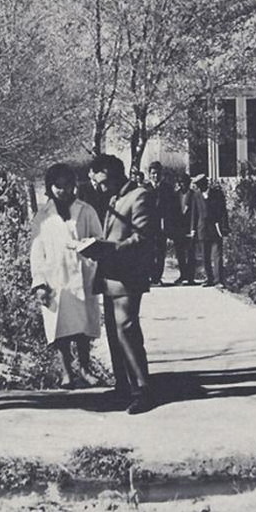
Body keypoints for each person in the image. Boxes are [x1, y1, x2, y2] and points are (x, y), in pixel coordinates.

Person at [89, 154, 155, 414]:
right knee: (114, 334)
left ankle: (143, 390)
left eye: (104, 182)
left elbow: (143, 237)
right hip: (110, 276)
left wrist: (107, 248)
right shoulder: (113, 198)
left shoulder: (140, 196)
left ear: (116, 174)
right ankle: (123, 387)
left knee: (126, 330)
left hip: (128, 276)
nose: (101, 188)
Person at [30, 164, 103, 388]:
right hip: (55, 279)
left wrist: (88, 247)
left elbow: (99, 239)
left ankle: (85, 368)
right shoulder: (42, 216)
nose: (63, 190)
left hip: (82, 276)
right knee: (59, 328)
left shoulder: (86, 211)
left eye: (67, 185)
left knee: (83, 328)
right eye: (58, 186)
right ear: (50, 187)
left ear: (74, 185)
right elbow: (36, 253)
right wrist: (39, 284)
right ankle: (66, 371)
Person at [190, 174, 229, 288]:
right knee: (205, 256)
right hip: (202, 229)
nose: (199, 187)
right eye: (197, 185)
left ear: (205, 183)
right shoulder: (196, 195)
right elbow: (194, 213)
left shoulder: (217, 194)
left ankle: (219, 280)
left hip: (215, 228)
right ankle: (209, 279)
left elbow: (223, 211)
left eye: (200, 184)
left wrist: (224, 227)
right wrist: (193, 229)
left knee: (217, 255)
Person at [146, 161, 176, 285]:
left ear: (161, 174)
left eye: (158, 173)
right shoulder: (144, 189)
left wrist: (169, 228)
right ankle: (150, 276)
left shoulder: (167, 189)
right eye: (153, 173)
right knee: (148, 251)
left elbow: (171, 209)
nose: (155, 176)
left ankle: (157, 277)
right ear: (149, 174)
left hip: (162, 225)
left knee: (160, 252)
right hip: (148, 226)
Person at [172, 173, 196, 285]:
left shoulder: (193, 195)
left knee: (191, 253)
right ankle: (183, 275)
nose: (183, 185)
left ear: (189, 183)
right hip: (178, 229)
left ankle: (190, 277)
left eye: (185, 182)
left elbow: (195, 212)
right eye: (181, 182)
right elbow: (171, 213)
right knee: (180, 253)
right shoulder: (175, 195)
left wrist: (193, 228)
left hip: (189, 228)